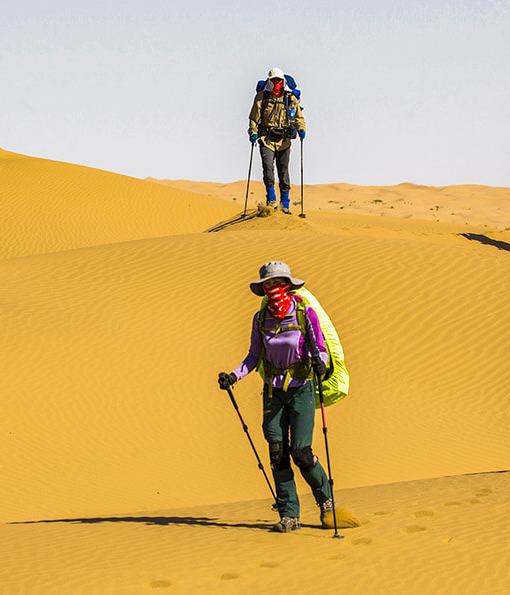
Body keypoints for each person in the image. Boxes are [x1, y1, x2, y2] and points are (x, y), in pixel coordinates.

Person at [218, 261, 332, 532]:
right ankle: (289, 515)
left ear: (288, 285)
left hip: (302, 388)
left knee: (301, 453)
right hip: (272, 392)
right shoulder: (260, 319)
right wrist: (233, 376)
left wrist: (322, 365)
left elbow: (320, 348)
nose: (273, 288)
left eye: (277, 283)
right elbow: (254, 356)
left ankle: (326, 500)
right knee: (277, 454)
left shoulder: (306, 314)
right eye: (267, 284)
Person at [248, 68, 306, 214]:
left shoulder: (290, 98)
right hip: (266, 139)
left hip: (284, 141)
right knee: (268, 168)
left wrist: (301, 129)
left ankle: (285, 204)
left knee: (284, 171)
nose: (276, 83)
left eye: (278, 80)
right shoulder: (262, 97)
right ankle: (271, 200)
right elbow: (254, 117)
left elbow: (298, 117)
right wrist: (253, 132)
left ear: (282, 81)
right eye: (273, 80)